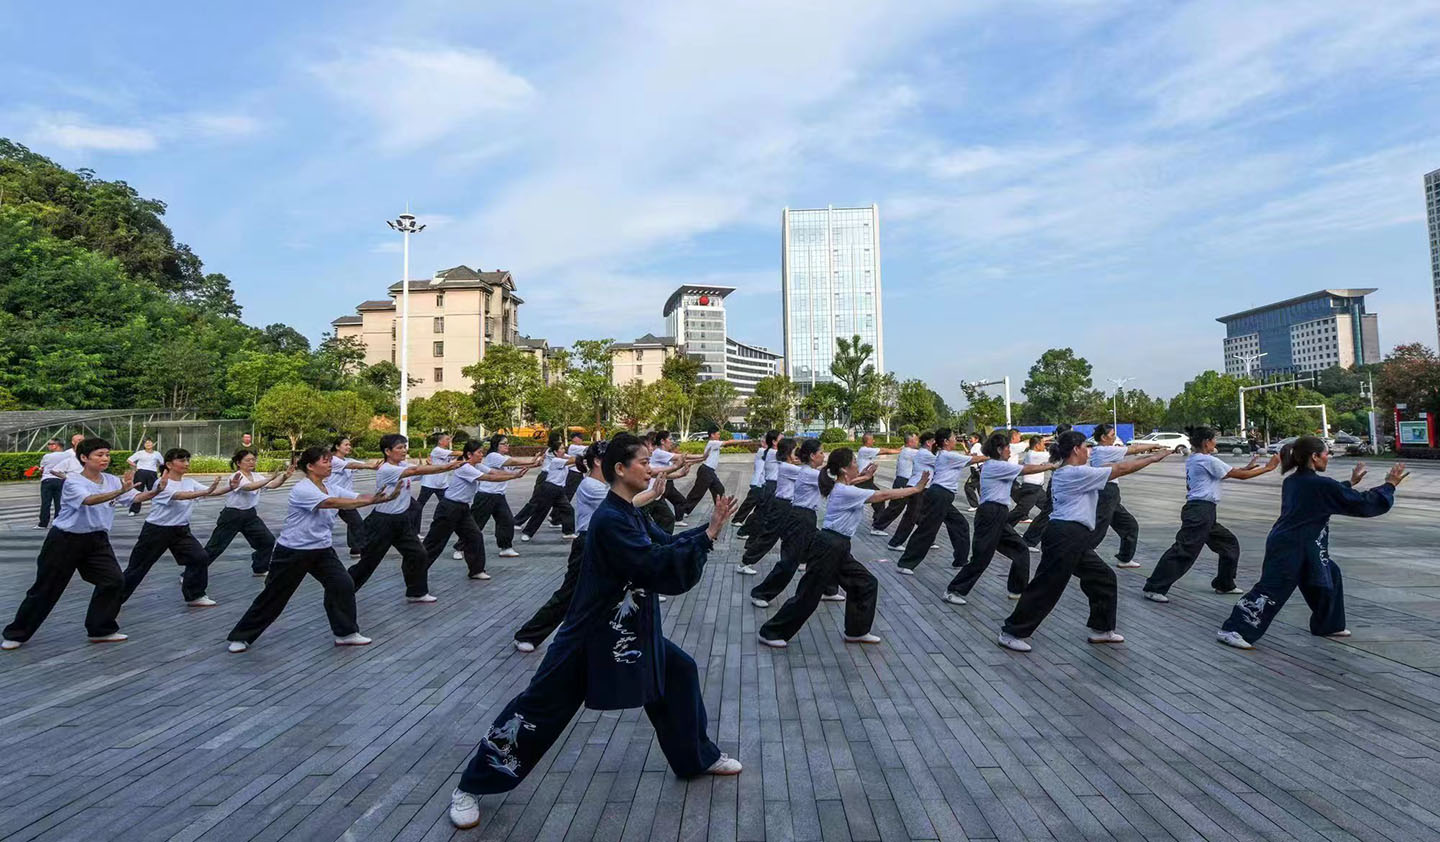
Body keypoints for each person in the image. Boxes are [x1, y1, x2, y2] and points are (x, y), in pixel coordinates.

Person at [446, 432, 741, 830]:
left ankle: (695, 757)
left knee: (679, 671)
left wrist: (710, 528)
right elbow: (654, 565)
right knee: (537, 708)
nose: (651, 469)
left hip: (628, 632)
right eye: (643, 462)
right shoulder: (609, 519)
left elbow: (663, 545)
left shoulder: (629, 512)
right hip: (589, 638)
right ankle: (470, 785)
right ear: (621, 470)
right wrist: (706, 538)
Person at [1216, 439, 1406, 650]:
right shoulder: (1318, 484)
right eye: (1326, 453)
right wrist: (1389, 485)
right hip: (1292, 546)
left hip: (1301, 543)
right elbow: (1362, 503)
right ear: (1314, 456)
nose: (1328, 457)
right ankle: (1234, 630)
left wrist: (1349, 483)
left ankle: (1328, 625)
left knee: (1329, 575)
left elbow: (1327, 495)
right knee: (1273, 587)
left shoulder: (1295, 481)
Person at [997, 431, 1168, 652]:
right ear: (1076, 449)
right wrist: (1154, 457)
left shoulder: (1074, 472)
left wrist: (1142, 453)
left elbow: (1113, 464)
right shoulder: (1073, 473)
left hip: (1073, 536)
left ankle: (1102, 629)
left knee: (1103, 578)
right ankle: (1012, 632)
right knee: (1047, 586)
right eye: (1086, 448)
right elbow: (1120, 469)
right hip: (1064, 536)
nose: (1089, 452)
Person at [225, 446, 400, 653]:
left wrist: (381, 497)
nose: (330, 466)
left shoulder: (331, 486)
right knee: (274, 595)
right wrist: (369, 500)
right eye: (325, 462)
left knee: (343, 584)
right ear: (310, 466)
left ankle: (345, 633)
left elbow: (354, 497)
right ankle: (241, 636)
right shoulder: (303, 489)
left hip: (322, 550)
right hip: (293, 551)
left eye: (330, 461)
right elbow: (331, 503)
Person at [757, 447, 928, 649]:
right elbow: (882, 495)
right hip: (829, 546)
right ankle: (770, 632)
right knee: (808, 595)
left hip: (838, 546)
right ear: (845, 469)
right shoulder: (845, 491)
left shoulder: (840, 486)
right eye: (854, 462)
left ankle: (856, 631)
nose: (857, 464)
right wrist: (915, 489)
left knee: (865, 584)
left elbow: (855, 486)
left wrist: (864, 476)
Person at [513, 440, 667, 653]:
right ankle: (529, 634)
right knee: (569, 596)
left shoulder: (606, 485)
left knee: (618, 591)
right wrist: (652, 494)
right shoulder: (589, 486)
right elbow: (620, 502)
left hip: (608, 542)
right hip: (587, 545)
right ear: (597, 461)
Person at [2, 438, 137, 649]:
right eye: (99, 455)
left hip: (97, 541)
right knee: (46, 588)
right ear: (84, 458)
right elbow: (88, 500)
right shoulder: (74, 482)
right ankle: (16, 634)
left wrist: (158, 491)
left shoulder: (111, 480)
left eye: (107, 454)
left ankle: (100, 630)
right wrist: (120, 491)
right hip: (65, 540)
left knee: (114, 581)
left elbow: (134, 498)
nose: (105, 458)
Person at [1142, 427, 1279, 603]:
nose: (1216, 442)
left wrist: (1246, 468)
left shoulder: (1196, 459)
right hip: (1200, 512)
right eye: (1214, 439)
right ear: (1206, 442)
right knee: (1184, 550)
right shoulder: (1207, 460)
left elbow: (1225, 474)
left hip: (1203, 512)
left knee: (1229, 544)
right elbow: (1241, 476)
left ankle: (1224, 583)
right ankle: (1154, 588)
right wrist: (1268, 468)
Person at [944, 431, 1058, 605]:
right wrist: (1051, 466)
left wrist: (1047, 465)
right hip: (990, 514)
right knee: (981, 558)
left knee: (1021, 550)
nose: (1010, 452)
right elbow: (1026, 469)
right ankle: (953, 590)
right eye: (1007, 449)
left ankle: (1017, 590)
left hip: (999, 514)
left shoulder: (996, 465)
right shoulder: (996, 465)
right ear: (999, 449)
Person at [349, 433, 465, 603]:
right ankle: (343, 589)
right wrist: (447, 466)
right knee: (368, 562)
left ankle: (416, 592)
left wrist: (434, 468)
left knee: (418, 554)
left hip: (401, 521)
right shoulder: (387, 469)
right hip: (382, 522)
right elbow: (415, 470)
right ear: (387, 451)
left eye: (405, 447)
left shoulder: (402, 465)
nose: (404, 450)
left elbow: (418, 473)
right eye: (399, 447)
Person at [120, 448, 233, 607]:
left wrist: (231, 487)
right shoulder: (161, 483)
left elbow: (212, 492)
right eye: (182, 460)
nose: (186, 464)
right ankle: (114, 600)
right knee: (138, 568)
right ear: (169, 464)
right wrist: (205, 492)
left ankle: (194, 595)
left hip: (181, 531)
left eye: (187, 460)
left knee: (199, 557)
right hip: (156, 530)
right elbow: (179, 496)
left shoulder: (189, 482)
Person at [749, 438, 843, 607]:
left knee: (825, 552)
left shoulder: (810, 471)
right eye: (822, 452)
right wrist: (860, 476)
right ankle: (761, 594)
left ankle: (829, 589)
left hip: (807, 518)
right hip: (800, 519)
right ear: (813, 456)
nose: (824, 456)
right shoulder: (808, 473)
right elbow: (836, 485)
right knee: (789, 562)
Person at [424, 440, 532, 580]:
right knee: (435, 543)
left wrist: (524, 468)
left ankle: (476, 570)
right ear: (469, 454)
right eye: (479, 452)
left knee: (474, 537)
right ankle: (416, 568)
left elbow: (493, 471)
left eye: (482, 452)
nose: (482, 455)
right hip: (449, 508)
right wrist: (514, 476)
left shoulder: (477, 465)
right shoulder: (465, 467)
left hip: (462, 508)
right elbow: (487, 477)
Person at [896, 429, 987, 574]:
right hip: (940, 495)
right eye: (952, 438)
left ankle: (960, 560)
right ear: (945, 441)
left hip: (942, 495)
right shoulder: (947, 456)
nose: (955, 440)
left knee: (960, 525)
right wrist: (992, 456)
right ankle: (906, 563)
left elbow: (970, 458)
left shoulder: (946, 456)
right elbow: (974, 459)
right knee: (928, 530)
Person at [453, 434, 543, 561]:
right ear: (496, 445)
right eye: (504, 443)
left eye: (507, 443)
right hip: (486, 495)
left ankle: (505, 547)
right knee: (476, 524)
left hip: (499, 495)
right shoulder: (493, 456)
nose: (507, 445)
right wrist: (530, 462)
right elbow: (512, 463)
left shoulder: (504, 457)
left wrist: (536, 462)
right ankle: (459, 547)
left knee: (507, 521)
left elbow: (516, 465)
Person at [204, 449, 293, 576]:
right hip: (232, 516)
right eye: (248, 460)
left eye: (253, 459)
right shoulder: (236, 476)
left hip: (250, 515)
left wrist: (284, 476)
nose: (252, 462)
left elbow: (272, 485)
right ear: (239, 463)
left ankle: (260, 568)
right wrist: (269, 478)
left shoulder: (256, 476)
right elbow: (249, 487)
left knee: (267, 541)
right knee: (215, 547)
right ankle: (188, 574)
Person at [1087, 424, 1163, 569]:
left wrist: (1154, 453)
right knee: (1099, 527)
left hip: (1109, 492)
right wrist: (1156, 445)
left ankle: (1125, 558)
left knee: (1129, 525)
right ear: (1103, 438)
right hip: (1107, 491)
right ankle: (1081, 553)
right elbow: (1133, 449)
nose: (1114, 437)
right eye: (1112, 435)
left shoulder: (1100, 450)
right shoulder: (1105, 450)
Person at [736, 438, 798, 575]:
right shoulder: (784, 464)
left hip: (788, 505)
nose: (797, 453)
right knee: (769, 534)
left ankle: (799, 560)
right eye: (795, 450)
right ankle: (745, 561)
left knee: (793, 535)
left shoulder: (783, 462)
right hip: (781, 504)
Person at [1021, 424, 1072, 550]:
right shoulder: (1058, 448)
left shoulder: (1062, 446)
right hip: (1058, 484)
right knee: (1047, 513)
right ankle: (1028, 540)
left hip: (1065, 484)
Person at [519, 432, 578, 541]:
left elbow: (573, 461)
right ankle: (527, 533)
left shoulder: (562, 459)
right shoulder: (555, 460)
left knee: (568, 509)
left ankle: (568, 532)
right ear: (556, 451)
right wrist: (586, 456)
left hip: (559, 490)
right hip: (549, 489)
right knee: (541, 511)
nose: (563, 450)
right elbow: (573, 460)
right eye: (561, 449)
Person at [328, 437, 381, 557]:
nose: (349, 447)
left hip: (345, 499)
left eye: (350, 445)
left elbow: (360, 464)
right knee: (325, 524)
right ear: (337, 446)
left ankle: (356, 549)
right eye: (346, 444)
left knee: (355, 522)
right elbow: (352, 465)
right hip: (331, 498)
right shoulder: (333, 460)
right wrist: (370, 467)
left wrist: (385, 464)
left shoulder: (347, 460)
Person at [885, 432, 936, 550]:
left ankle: (928, 540)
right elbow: (943, 462)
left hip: (921, 487)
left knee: (920, 516)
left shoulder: (921, 453)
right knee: (911, 516)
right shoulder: (922, 453)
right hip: (916, 487)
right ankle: (895, 542)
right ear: (929, 443)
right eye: (934, 442)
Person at [681, 428, 746, 520]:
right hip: (706, 471)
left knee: (719, 489)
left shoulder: (715, 444)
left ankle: (720, 511)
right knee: (698, 492)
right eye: (718, 434)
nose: (719, 436)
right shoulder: (713, 443)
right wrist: (746, 441)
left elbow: (725, 446)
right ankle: (684, 511)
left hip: (709, 471)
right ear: (712, 435)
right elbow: (728, 442)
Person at [645, 431, 700, 532]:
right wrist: (703, 456)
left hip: (657, 493)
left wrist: (680, 473)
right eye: (650, 445)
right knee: (645, 524)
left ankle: (662, 543)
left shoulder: (656, 455)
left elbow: (663, 473)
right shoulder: (658, 453)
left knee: (668, 519)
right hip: (651, 494)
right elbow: (656, 472)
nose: (652, 448)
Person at [870, 432, 919, 535]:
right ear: (910, 442)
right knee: (895, 507)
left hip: (909, 482)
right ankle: (877, 527)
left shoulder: (908, 451)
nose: (918, 442)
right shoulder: (909, 452)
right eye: (916, 440)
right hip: (903, 482)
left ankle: (926, 534)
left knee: (916, 509)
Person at [733, 430, 779, 536]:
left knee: (759, 508)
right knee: (752, 505)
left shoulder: (768, 452)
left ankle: (745, 526)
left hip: (761, 483)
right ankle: (740, 523)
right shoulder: (763, 451)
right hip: (759, 483)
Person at [412, 433, 461, 530]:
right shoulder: (437, 450)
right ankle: (414, 530)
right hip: (429, 483)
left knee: (448, 505)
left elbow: (453, 462)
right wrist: (469, 451)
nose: (449, 441)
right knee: (419, 506)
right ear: (440, 441)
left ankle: (448, 526)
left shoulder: (446, 452)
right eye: (447, 439)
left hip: (442, 484)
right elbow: (456, 453)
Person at [853, 433, 902, 529]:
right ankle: (877, 524)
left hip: (867, 480)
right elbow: (883, 451)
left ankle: (877, 521)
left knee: (878, 499)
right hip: (863, 481)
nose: (874, 441)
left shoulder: (864, 450)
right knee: (879, 498)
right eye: (872, 440)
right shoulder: (865, 450)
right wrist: (898, 451)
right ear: (868, 441)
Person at [1008, 435, 1050, 526]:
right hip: (1031, 489)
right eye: (1043, 444)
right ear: (1037, 446)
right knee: (1020, 511)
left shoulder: (1031, 453)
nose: (1045, 446)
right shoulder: (1035, 455)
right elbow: (1055, 456)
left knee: (1049, 509)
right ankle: (1003, 526)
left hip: (1037, 488)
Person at [35, 438, 69, 529]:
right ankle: (57, 523)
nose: (48, 446)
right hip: (61, 480)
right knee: (59, 503)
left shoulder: (47, 456)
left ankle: (43, 524)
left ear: (55, 445)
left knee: (46, 503)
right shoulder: (68, 456)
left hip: (47, 481)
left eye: (50, 444)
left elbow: (42, 469)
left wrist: (38, 469)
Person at [126, 438, 164, 516]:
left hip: (152, 473)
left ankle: (157, 509)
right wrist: (135, 466)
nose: (148, 444)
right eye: (146, 443)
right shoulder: (140, 453)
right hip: (140, 473)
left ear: (153, 444)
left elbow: (162, 463)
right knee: (137, 491)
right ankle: (133, 510)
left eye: (150, 443)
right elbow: (129, 460)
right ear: (144, 445)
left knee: (155, 491)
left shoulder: (157, 454)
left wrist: (159, 469)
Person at [962, 434, 984, 511]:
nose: (969, 440)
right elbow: (969, 453)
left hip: (978, 469)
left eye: (971, 438)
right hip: (976, 469)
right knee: (978, 487)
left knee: (969, 486)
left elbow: (971, 455)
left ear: (977, 439)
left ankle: (975, 505)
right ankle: (980, 505)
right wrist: (964, 445)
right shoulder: (975, 446)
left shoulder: (977, 445)